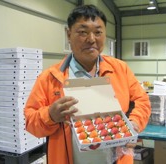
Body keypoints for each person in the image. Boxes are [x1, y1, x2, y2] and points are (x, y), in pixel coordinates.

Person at [24, 4, 151, 164]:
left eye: (98, 32)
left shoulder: (120, 69)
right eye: (83, 32)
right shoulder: (50, 78)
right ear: (68, 34)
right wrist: (50, 115)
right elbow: (30, 121)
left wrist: (134, 124)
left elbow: (142, 101)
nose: (91, 39)